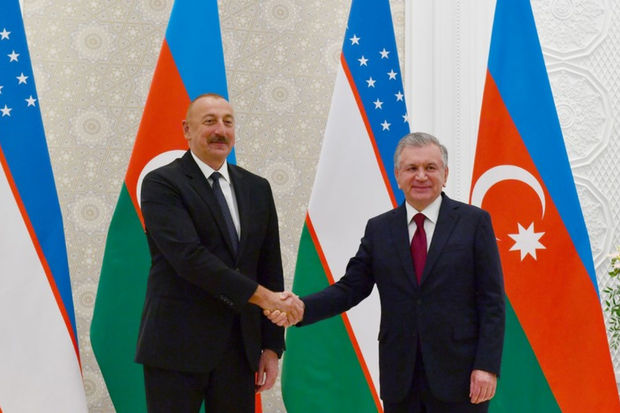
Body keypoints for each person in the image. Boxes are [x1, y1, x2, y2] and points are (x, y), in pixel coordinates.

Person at [269, 132, 505, 412]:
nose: (421, 176)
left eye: (430, 167)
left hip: (461, 377)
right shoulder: (380, 229)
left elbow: (492, 301)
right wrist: (302, 308)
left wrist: (486, 366)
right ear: (398, 176)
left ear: (445, 174)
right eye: (411, 168)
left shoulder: (474, 222)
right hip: (400, 378)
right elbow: (350, 288)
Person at [135, 93, 304, 413]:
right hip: (176, 345)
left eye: (228, 122)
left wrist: (271, 346)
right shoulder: (162, 183)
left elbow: (268, 265)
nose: (220, 130)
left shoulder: (257, 188)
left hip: (239, 349)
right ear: (187, 130)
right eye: (209, 121)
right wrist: (265, 298)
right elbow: (190, 258)